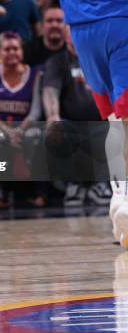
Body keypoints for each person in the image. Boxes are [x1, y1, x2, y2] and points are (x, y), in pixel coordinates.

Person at [51, 0, 128, 244]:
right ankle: (125, 201)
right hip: (119, 22)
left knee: (112, 120)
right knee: (125, 115)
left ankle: (119, 196)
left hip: (81, 30)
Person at [42, 26, 111, 207]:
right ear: (66, 38)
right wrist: (53, 114)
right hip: (71, 124)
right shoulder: (58, 61)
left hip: (103, 121)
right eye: (73, 32)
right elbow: (50, 90)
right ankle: (73, 185)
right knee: (57, 128)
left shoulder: (101, 59)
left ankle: (103, 185)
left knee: (114, 129)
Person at [0, 31, 44, 208]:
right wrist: (9, 132)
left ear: (22, 51)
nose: (12, 53)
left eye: (15, 48)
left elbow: (35, 112)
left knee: (35, 136)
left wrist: (19, 131)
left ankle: (38, 193)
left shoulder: (35, 75)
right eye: (7, 49)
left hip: (25, 126)